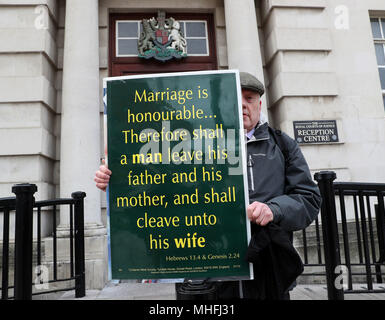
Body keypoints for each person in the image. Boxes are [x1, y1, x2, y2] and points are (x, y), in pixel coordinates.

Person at [94, 72, 321, 300]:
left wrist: (274, 209)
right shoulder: (191, 147)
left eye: (249, 98)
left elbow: (308, 199)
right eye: (235, 96)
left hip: (266, 268)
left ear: (259, 104)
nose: (242, 104)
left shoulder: (282, 145)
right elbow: (159, 196)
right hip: (206, 274)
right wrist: (120, 186)